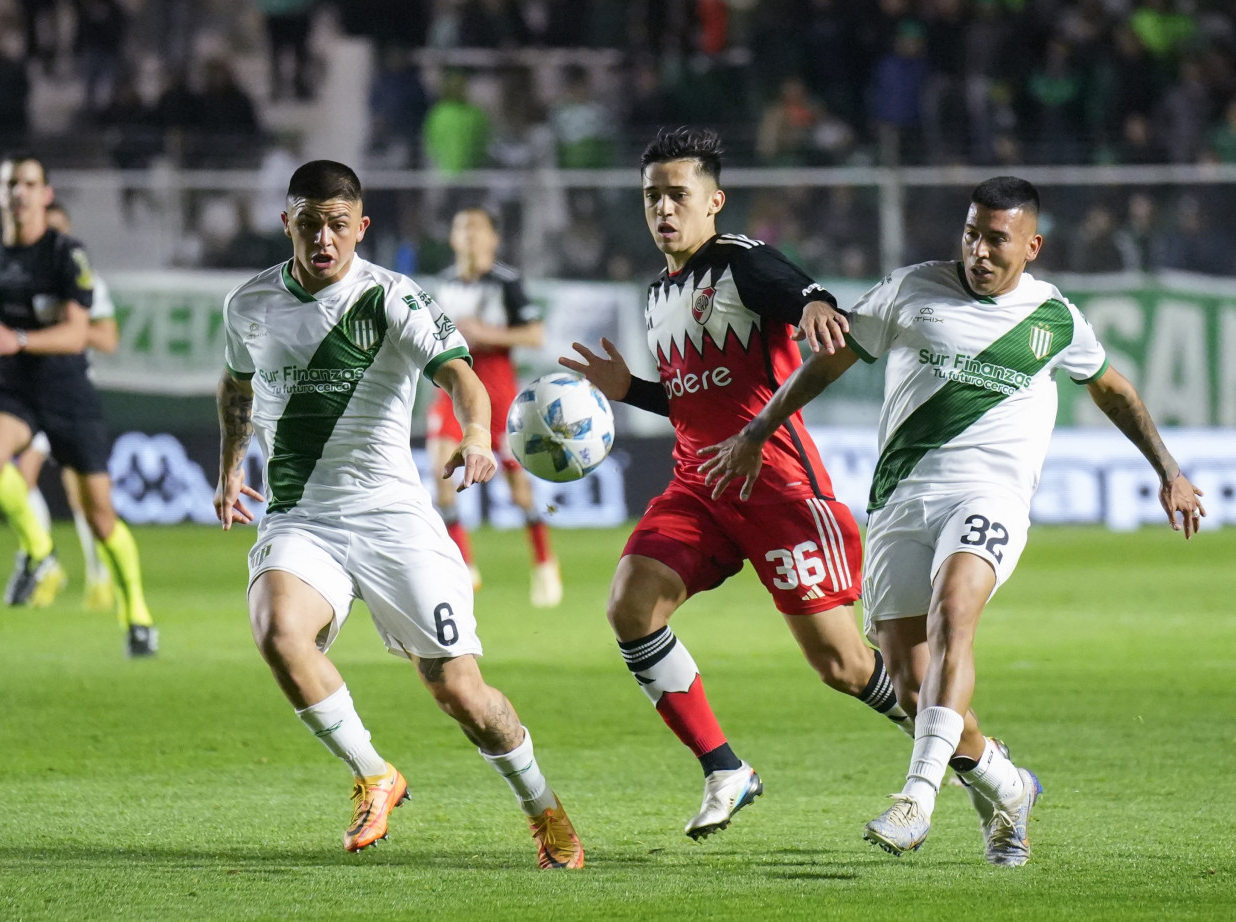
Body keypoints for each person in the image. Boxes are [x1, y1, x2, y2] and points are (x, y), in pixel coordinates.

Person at [698, 175, 1205, 867]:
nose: (981, 250)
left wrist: (1168, 469)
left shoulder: (1053, 320)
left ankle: (917, 799)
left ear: (1032, 246)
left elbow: (1113, 389)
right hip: (902, 501)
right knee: (912, 687)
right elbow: (829, 361)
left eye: (998, 239)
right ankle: (1008, 785)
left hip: (989, 496)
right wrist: (759, 430)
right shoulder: (910, 289)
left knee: (954, 612)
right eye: (972, 233)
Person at [213, 160, 583, 868]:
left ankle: (543, 808)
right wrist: (231, 467)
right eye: (310, 223)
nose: (325, 238)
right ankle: (374, 773)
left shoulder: (393, 298)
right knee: (277, 629)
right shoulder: (249, 304)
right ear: (286, 221)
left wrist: (478, 434)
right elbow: (236, 385)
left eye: (339, 224)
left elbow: (464, 378)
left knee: (461, 692)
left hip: (391, 518)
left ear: (362, 227)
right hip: (300, 517)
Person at [558, 127, 912, 842]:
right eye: (652, 195)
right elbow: (695, 396)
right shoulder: (660, 291)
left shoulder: (740, 262)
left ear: (713, 202)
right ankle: (724, 768)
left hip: (776, 485)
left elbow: (798, 290)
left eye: (678, 195)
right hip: (699, 486)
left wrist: (813, 303)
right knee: (631, 605)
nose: (663, 208)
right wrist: (631, 390)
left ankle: (954, 743)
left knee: (843, 666)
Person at [0, 155, 158, 657]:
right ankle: (40, 551)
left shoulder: (66, 254)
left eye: (30, 184)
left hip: (67, 391)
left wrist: (19, 340)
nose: (20, 192)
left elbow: (78, 333)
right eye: (11, 183)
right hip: (11, 389)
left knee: (99, 516)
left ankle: (136, 614)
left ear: (45, 194)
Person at [426, 205, 560, 606]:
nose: (468, 236)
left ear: (492, 238)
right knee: (439, 471)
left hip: (496, 386)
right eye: (461, 228)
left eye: (476, 229)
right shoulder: (443, 283)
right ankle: (464, 567)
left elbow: (535, 335)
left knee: (516, 485)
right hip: (452, 382)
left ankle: (543, 562)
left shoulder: (507, 281)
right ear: (452, 238)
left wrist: (485, 332)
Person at [13, 202, 119, 613]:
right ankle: (45, 563)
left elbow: (108, 339)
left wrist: (69, 325)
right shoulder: (19, 279)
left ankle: (99, 576)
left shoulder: (86, 282)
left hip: (69, 390)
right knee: (19, 477)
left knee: (83, 497)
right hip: (28, 392)